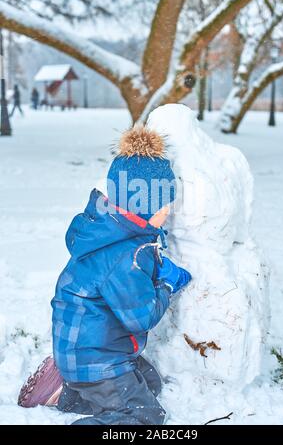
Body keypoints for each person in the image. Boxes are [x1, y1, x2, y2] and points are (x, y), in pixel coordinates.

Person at [18, 125, 192, 425]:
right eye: (165, 203)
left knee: (150, 384)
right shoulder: (126, 255)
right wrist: (166, 284)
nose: (169, 209)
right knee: (145, 416)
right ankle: (79, 391)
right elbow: (142, 317)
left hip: (85, 348)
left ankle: (65, 391)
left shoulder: (109, 233)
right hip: (96, 360)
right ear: (146, 206)